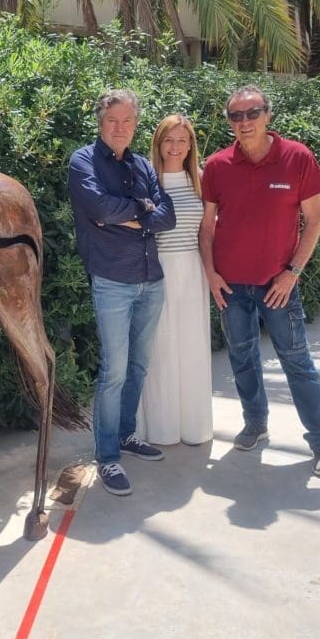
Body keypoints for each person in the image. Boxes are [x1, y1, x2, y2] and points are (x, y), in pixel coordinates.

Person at [199, 84, 320, 478]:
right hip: (230, 288)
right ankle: (256, 425)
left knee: (297, 362)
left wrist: (292, 273)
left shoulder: (297, 157)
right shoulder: (218, 165)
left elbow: (315, 221)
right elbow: (206, 228)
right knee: (242, 359)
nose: (244, 122)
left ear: (268, 115)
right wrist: (211, 274)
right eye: (235, 116)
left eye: (252, 113)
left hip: (279, 286)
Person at [68, 89, 177, 496]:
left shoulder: (143, 165)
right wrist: (143, 209)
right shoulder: (83, 161)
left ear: (135, 125)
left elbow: (168, 216)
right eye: (113, 120)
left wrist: (130, 215)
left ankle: (127, 434)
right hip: (113, 280)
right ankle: (107, 455)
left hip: (152, 279)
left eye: (127, 120)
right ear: (101, 122)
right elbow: (99, 209)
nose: (120, 127)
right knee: (114, 371)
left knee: (139, 365)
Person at [136, 115, 214, 446]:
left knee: (192, 346)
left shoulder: (201, 179)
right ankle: (161, 427)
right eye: (169, 139)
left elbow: (208, 232)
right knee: (160, 348)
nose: (175, 147)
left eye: (182, 140)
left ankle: (193, 425)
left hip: (193, 271)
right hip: (157, 271)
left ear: (191, 145)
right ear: (158, 143)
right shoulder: (146, 180)